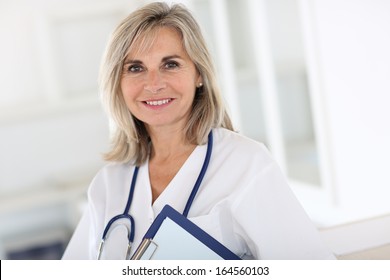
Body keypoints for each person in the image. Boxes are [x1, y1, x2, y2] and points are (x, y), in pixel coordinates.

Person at [62, 2, 334, 260]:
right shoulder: (108, 184)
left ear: (199, 74)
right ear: (117, 83)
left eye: (170, 64)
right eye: (135, 68)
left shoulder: (246, 163)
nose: (153, 84)